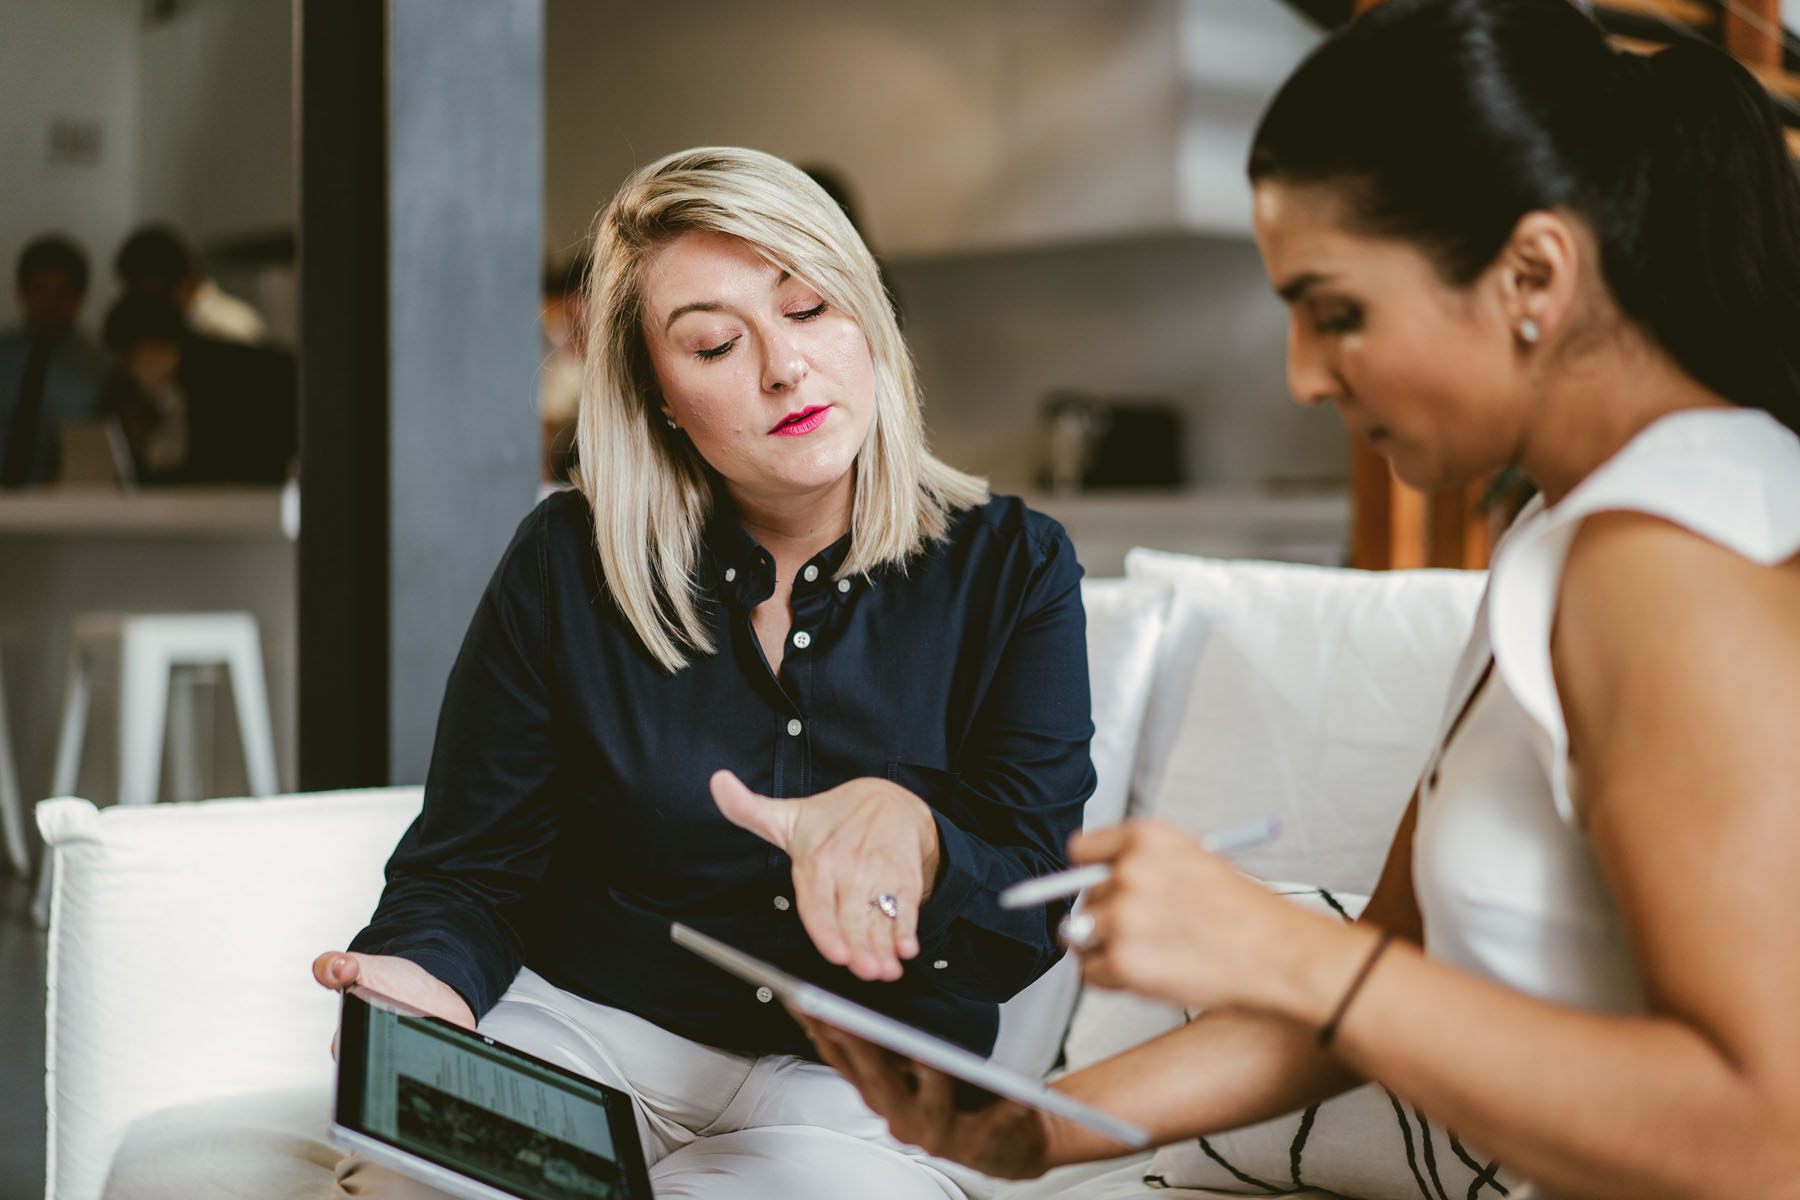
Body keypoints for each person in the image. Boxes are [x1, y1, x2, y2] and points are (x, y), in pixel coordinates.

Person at [809, 3, 1800, 1198]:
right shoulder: (1569, 530)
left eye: (1339, 313)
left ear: (1533, 272)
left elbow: (1768, 1135)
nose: (1303, 374)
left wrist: (1281, 950)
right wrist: (1040, 1126)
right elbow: (1384, 967)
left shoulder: (1671, 559)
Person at [309, 147, 1096, 1199]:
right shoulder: (565, 563)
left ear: (869, 319)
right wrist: (419, 983)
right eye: (717, 344)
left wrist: (922, 847)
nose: (783, 366)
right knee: (406, 1182)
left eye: (810, 307)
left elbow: (1031, 904)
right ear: (659, 397)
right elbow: (468, 869)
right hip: (589, 1032)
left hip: (864, 1079)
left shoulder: (1013, 566)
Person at [101, 291, 297, 485]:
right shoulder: (171, 381)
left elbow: (205, 468)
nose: (128, 371)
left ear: (152, 348)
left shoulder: (223, 378)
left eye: (127, 360)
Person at [0, 234, 106, 486]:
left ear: (79, 296)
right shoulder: (4, 353)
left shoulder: (99, 366)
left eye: (61, 292)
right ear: (21, 291)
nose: (50, 303)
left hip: (61, 502)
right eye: (39, 290)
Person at [115, 222, 269, 344]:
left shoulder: (233, 327)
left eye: (152, 297)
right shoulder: (159, 332)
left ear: (185, 281)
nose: (144, 309)